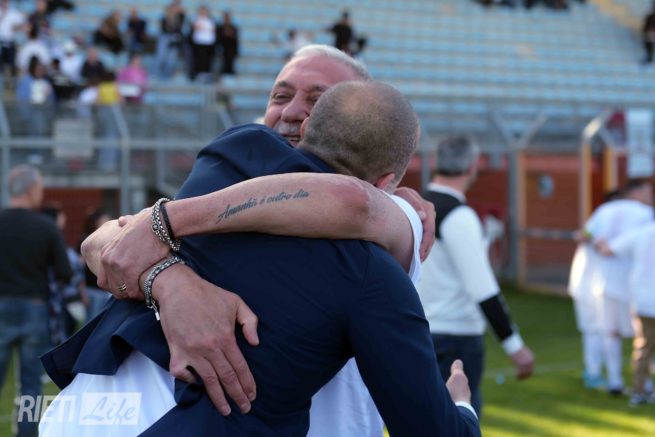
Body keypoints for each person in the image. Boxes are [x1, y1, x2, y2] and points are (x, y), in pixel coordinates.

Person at [42, 80, 479, 437]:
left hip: (86, 400)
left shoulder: (236, 149)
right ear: (386, 184)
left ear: (306, 128)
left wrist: (165, 238)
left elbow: (351, 201)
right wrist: (461, 406)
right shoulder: (373, 271)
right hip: (186, 421)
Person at [416, 136, 535, 416]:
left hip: (418, 328)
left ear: (434, 162)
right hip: (454, 336)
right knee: (459, 422)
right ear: (472, 167)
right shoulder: (459, 216)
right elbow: (482, 287)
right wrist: (514, 345)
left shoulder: (414, 208)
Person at [0, 165, 72, 437]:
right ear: (31, 190)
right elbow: (64, 271)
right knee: (31, 383)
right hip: (34, 307)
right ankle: (27, 433)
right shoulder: (46, 227)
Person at [581, 178, 654, 395]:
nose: (650, 196)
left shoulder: (604, 210)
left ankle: (615, 381)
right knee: (642, 337)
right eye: (648, 191)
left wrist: (598, 243)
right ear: (636, 192)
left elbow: (585, 234)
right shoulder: (645, 214)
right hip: (635, 285)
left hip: (605, 281)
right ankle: (643, 384)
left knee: (610, 332)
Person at [598, 222, 655, 406]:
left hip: (643, 300)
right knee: (645, 347)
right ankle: (641, 391)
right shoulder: (641, 232)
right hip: (645, 300)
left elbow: (607, 250)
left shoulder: (640, 233)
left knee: (643, 347)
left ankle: (639, 391)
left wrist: (599, 241)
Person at [155, 1, 185, 79]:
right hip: (165, 38)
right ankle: (158, 74)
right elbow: (164, 29)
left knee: (172, 58)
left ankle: (168, 75)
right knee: (161, 56)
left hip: (175, 39)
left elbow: (182, 15)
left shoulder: (179, 18)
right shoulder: (164, 19)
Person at [0, 0, 26, 80]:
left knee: (12, 66)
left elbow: (24, 23)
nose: (4, 3)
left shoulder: (13, 12)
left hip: (11, 43)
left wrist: (17, 27)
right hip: (1, 43)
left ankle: (11, 82)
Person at [189, 5, 216, 81]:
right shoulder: (195, 19)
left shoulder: (211, 20)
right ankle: (198, 73)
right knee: (199, 58)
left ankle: (206, 73)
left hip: (209, 42)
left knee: (207, 59)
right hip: (199, 42)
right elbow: (196, 27)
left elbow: (213, 30)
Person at [216, 10, 238, 75]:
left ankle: (230, 72)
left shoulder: (233, 28)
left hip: (231, 48)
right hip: (223, 47)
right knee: (222, 62)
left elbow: (236, 40)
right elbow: (218, 38)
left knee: (230, 61)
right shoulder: (220, 27)